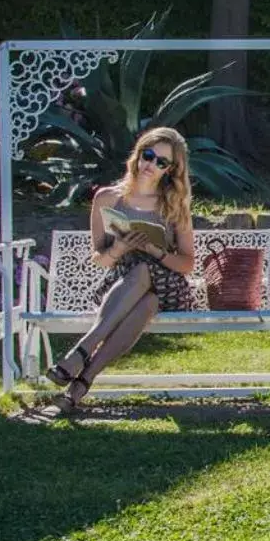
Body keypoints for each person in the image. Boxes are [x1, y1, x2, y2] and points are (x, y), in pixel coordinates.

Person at [46, 128, 198, 407]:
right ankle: (81, 384)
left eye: (161, 162)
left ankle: (81, 351)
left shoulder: (174, 205)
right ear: (138, 155)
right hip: (123, 282)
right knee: (145, 298)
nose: (151, 165)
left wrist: (154, 250)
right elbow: (101, 259)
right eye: (148, 156)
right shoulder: (107, 198)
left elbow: (187, 263)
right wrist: (119, 248)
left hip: (169, 285)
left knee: (144, 270)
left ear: (171, 169)